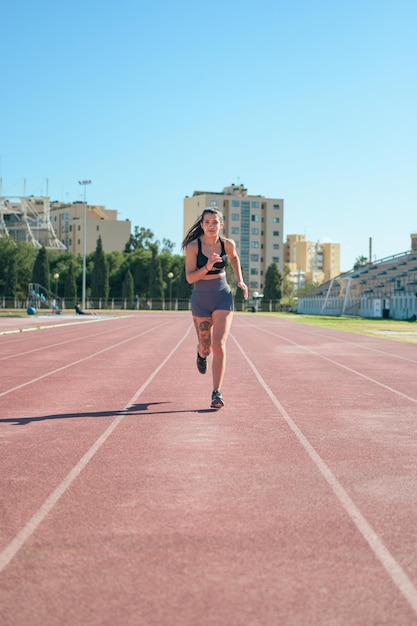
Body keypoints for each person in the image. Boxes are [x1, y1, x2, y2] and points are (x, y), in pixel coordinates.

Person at [182, 207, 248, 409]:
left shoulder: (227, 245)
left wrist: (241, 281)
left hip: (222, 297)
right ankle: (201, 355)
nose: (211, 226)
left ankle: (216, 393)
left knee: (219, 345)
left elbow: (235, 258)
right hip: (201, 299)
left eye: (215, 222)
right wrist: (208, 266)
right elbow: (190, 278)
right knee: (206, 346)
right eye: (207, 222)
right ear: (202, 225)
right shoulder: (193, 247)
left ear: (221, 225)